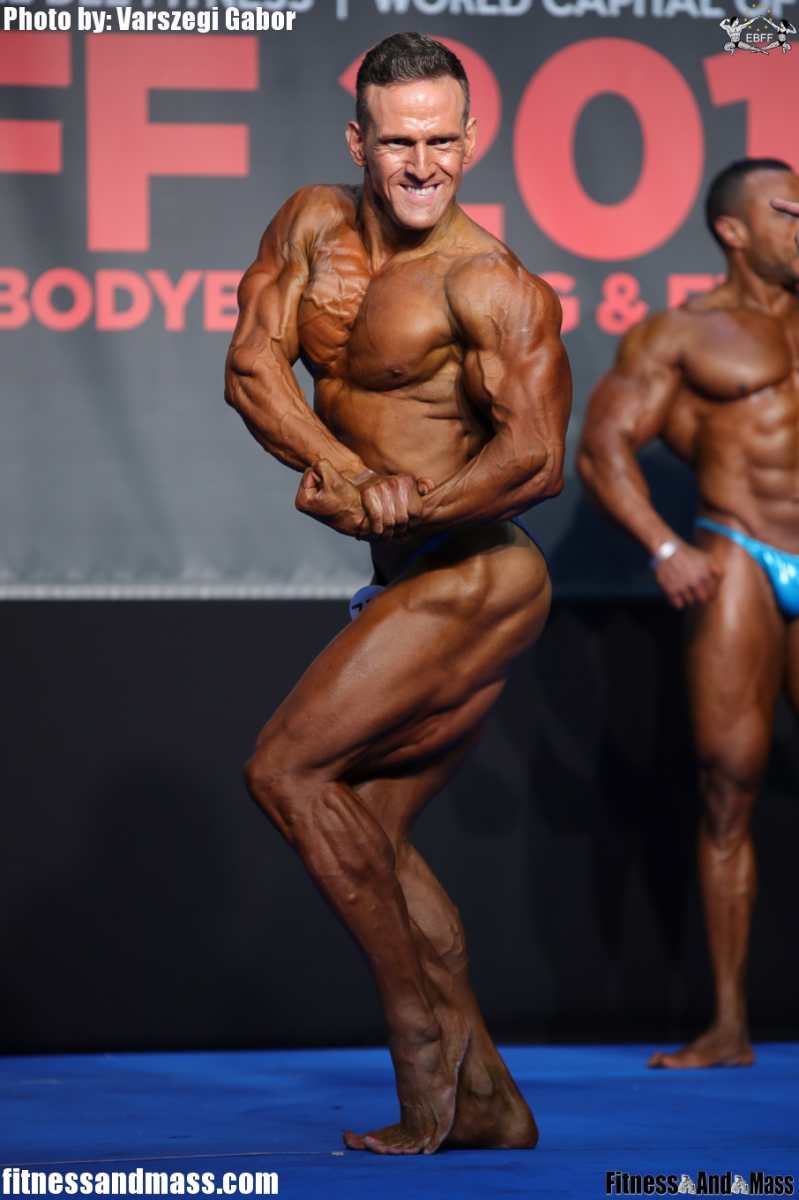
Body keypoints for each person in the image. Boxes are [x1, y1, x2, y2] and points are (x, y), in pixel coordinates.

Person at [223, 33, 571, 1152]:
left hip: (480, 571)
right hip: (407, 571)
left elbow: (536, 458)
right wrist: (343, 471)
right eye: (397, 142)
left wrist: (409, 511)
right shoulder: (309, 221)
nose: (421, 165)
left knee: (284, 772)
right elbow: (252, 369)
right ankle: (491, 1101)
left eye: (440, 141)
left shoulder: (489, 282)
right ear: (356, 142)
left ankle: (418, 1040)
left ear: (471, 141)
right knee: (367, 827)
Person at [578, 159, 799, 1068]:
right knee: (727, 785)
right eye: (787, 211)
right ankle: (727, 1026)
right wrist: (663, 547)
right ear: (732, 230)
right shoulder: (681, 334)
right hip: (740, 550)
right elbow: (601, 447)